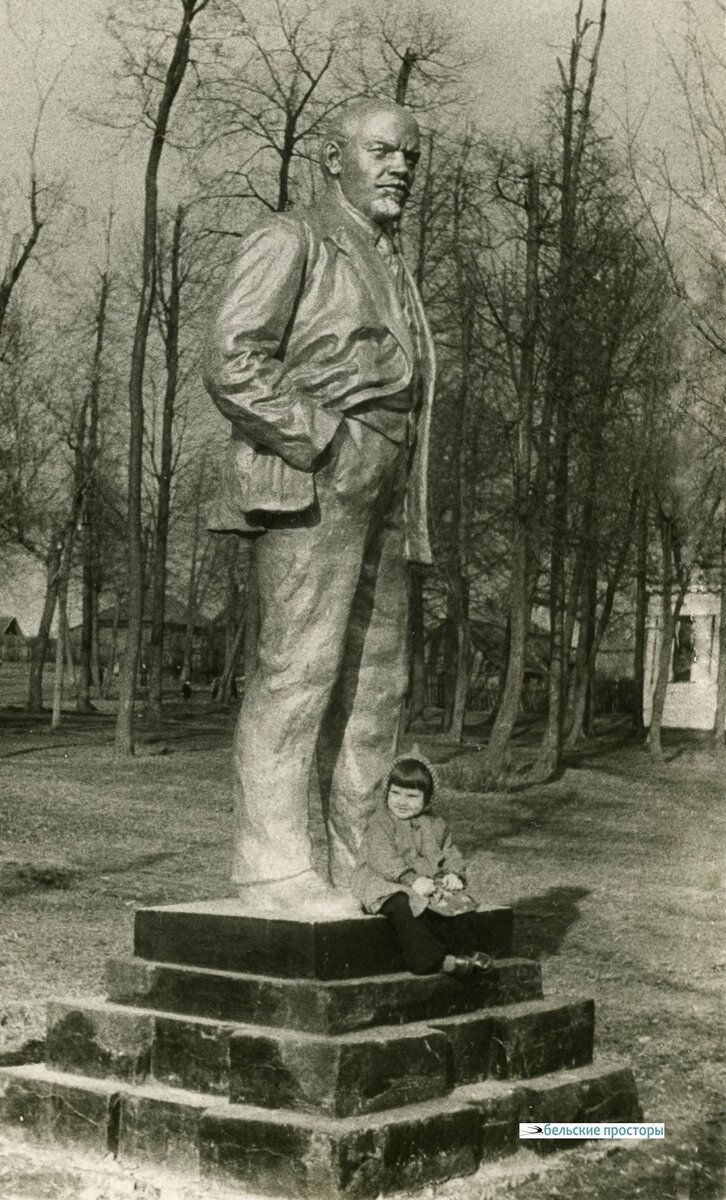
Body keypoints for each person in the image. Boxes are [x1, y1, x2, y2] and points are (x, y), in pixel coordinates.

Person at [203, 98, 435, 917]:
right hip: (319, 477)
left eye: (411, 153)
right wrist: (327, 441)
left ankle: (362, 863)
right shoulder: (292, 237)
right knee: (298, 673)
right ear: (333, 157)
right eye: (381, 150)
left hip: (389, 487)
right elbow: (232, 359)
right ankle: (272, 868)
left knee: (377, 687)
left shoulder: (393, 263)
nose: (400, 166)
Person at [351, 754, 494, 978]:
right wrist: (411, 879)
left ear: (427, 799)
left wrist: (454, 873)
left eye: (411, 796)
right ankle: (430, 960)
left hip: (424, 881)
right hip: (382, 881)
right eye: (395, 793)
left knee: (454, 901)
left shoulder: (436, 824)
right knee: (402, 903)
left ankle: (465, 950)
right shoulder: (381, 822)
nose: (401, 801)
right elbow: (382, 858)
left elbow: (449, 851)